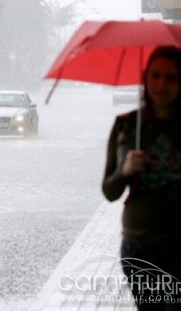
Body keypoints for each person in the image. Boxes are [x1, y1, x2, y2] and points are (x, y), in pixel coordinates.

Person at [102, 45, 181, 310]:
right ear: (146, 78)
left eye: (171, 77)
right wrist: (125, 170)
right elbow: (110, 191)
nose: (162, 84)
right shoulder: (126, 125)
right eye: (156, 75)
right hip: (140, 246)